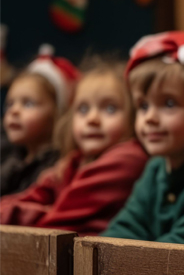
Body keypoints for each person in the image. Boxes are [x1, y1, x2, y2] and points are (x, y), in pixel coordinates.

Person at [101, 32, 184, 245]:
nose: (150, 118)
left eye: (169, 104)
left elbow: (177, 250)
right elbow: (127, 226)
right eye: (143, 106)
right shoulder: (156, 169)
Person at [0, 58, 147, 235]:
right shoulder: (74, 162)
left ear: (133, 117)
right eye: (83, 109)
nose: (92, 119)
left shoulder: (128, 158)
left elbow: (53, 225)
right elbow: (36, 195)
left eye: (110, 109)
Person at [1, 44, 79, 196]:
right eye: (10, 104)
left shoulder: (57, 166)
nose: (14, 111)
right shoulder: (10, 156)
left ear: (57, 113)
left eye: (28, 103)